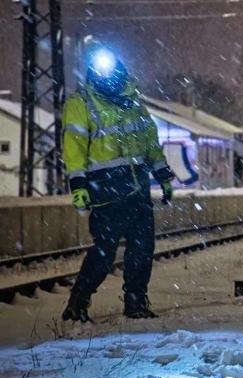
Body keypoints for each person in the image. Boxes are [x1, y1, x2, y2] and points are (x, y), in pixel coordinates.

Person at [61, 43, 175, 322]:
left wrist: (163, 175)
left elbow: (150, 144)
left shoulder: (134, 103)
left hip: (137, 188)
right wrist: (78, 186)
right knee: (104, 252)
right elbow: (74, 147)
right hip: (106, 191)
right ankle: (78, 302)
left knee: (142, 249)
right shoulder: (81, 103)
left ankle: (136, 303)